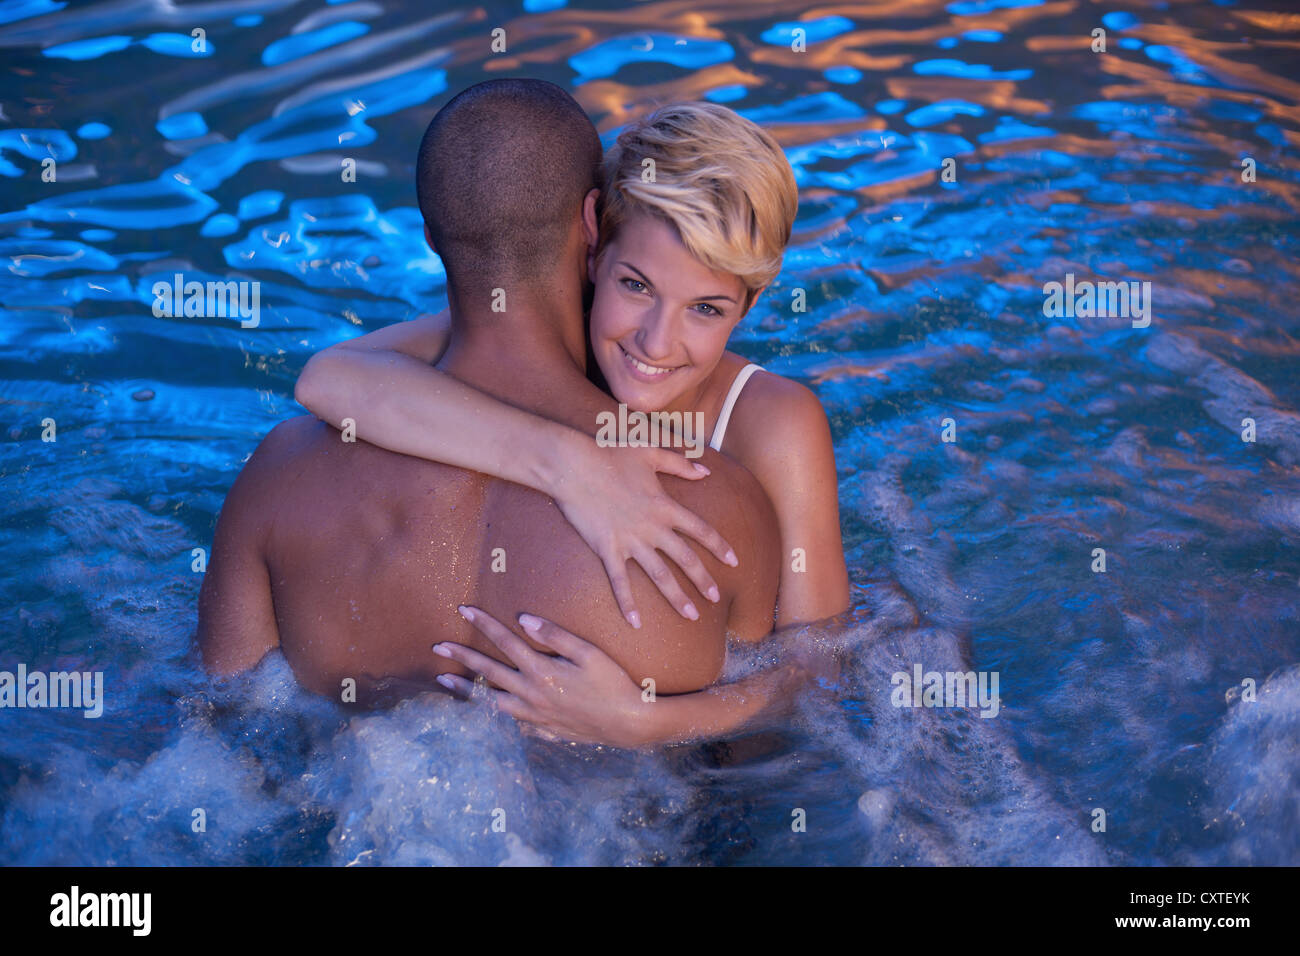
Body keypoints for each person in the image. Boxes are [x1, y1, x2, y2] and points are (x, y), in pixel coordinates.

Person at [198, 79, 802, 748]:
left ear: (429, 235)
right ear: (594, 226)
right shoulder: (716, 512)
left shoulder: (277, 479)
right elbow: (776, 746)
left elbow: (216, 725)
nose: (658, 341)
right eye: (639, 285)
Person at [295, 100, 850, 637]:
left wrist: (643, 721)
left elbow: (817, 670)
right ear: (593, 248)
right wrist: (565, 461)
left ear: (749, 306)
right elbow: (326, 379)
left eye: (706, 309)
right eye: (636, 285)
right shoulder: (547, 331)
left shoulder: (776, 424)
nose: (656, 344)